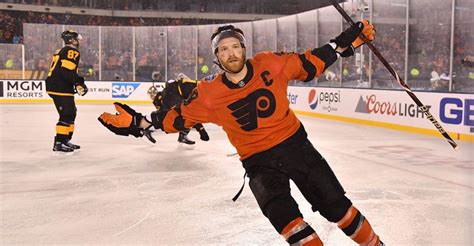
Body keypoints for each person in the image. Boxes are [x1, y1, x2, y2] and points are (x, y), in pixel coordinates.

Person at [99, 22, 383, 245]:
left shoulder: (270, 63)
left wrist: (344, 42)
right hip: (259, 164)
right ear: (217, 58)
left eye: (235, 46)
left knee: (338, 209)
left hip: (296, 147)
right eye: (223, 49)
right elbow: (177, 117)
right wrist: (139, 123)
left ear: (244, 49)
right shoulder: (209, 94)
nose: (231, 53)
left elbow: (309, 63)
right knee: (289, 224)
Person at [46, 30, 88, 152]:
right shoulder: (71, 51)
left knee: (71, 113)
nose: (78, 41)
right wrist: (79, 82)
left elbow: (65, 70)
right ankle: (59, 142)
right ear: (71, 40)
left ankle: (65, 140)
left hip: (58, 85)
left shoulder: (62, 50)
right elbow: (67, 71)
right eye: (76, 38)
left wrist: (76, 81)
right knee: (67, 114)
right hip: (60, 87)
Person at [145, 74, 209, 145]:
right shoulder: (170, 95)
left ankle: (182, 136)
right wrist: (201, 129)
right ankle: (150, 129)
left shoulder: (170, 92)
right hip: (171, 112)